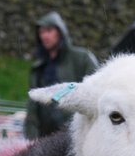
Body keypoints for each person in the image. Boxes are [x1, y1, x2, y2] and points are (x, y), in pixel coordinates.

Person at [26, 11, 99, 139]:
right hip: (46, 139)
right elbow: (33, 109)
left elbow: (95, 95)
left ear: (60, 32)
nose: (44, 36)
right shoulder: (38, 68)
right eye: (41, 32)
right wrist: (32, 139)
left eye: (49, 30)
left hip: (75, 136)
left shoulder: (82, 58)